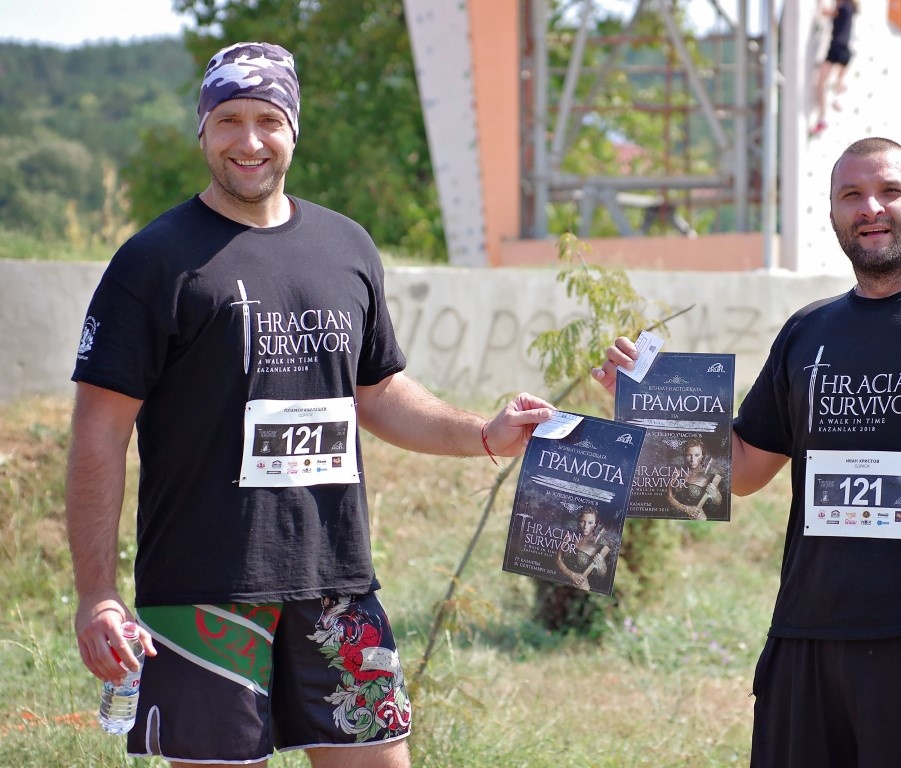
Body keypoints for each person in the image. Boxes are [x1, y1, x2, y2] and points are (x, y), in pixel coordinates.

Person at [65, 41, 553, 768]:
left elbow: (377, 392)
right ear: (202, 130)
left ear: (294, 128)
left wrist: (484, 431)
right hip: (204, 592)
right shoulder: (153, 261)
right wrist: (97, 594)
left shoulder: (345, 246)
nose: (249, 140)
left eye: (268, 119)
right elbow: (99, 431)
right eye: (229, 120)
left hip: (338, 587)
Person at [593, 137, 901, 767]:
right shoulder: (808, 330)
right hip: (807, 635)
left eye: (890, 191)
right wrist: (652, 403)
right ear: (831, 213)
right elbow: (744, 468)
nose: (870, 207)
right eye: (851, 195)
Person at [811, 0, 858, 137]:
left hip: (836, 48)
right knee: (839, 82)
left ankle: (823, 117)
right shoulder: (850, 10)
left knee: (821, 85)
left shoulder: (843, 9)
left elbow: (824, 12)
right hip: (845, 51)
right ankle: (837, 99)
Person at [555, 506, 615, 592]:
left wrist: (600, 563)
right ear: (578, 521)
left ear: (595, 524)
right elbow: (558, 559)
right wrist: (572, 575)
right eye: (583, 521)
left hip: (580, 586)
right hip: (558, 582)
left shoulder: (599, 544)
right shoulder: (570, 535)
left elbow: (603, 574)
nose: (585, 526)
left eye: (590, 523)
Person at [665, 438, 723, 520]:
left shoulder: (709, 475)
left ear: (702, 455)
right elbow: (668, 496)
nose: (693, 459)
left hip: (696, 517)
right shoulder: (678, 471)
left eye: (697, 455)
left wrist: (715, 493)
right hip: (672, 516)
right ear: (685, 455)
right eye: (689, 455)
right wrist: (686, 509)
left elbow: (718, 502)